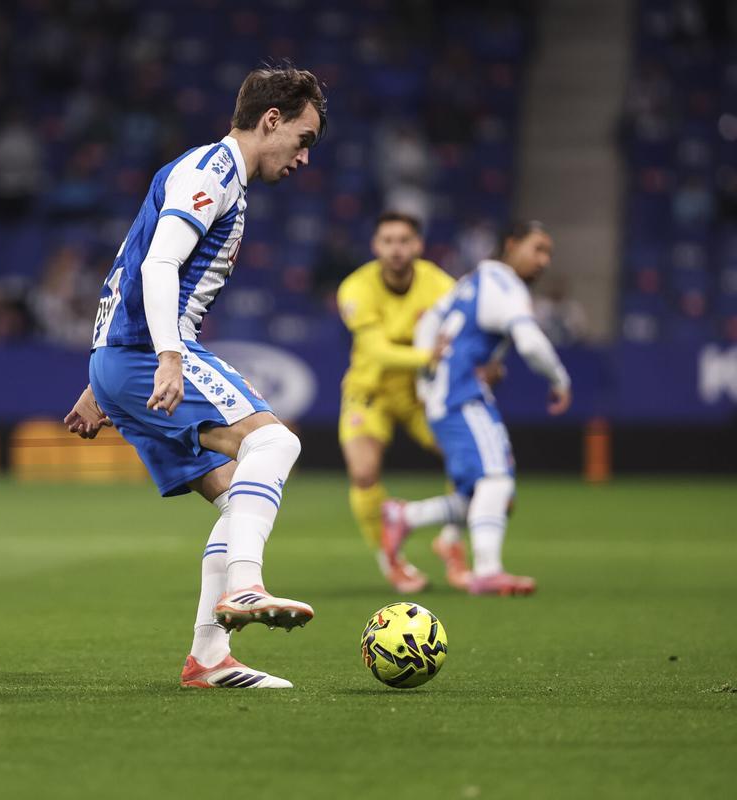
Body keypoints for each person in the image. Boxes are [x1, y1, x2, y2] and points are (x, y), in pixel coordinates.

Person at [64, 65, 325, 689]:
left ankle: (209, 659)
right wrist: (169, 357)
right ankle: (247, 586)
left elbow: (126, 266)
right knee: (275, 442)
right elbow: (157, 265)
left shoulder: (210, 173)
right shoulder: (211, 173)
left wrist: (99, 386)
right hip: (144, 354)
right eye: (304, 138)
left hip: (121, 359)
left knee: (241, 499)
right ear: (271, 121)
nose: (305, 158)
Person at [381, 221, 571, 595]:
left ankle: (406, 515)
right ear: (511, 245)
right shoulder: (505, 285)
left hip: (446, 397)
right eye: (538, 249)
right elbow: (530, 344)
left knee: (478, 495)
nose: (544, 261)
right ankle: (487, 570)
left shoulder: (472, 281)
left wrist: (426, 382)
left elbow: (428, 323)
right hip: (464, 397)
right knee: (497, 479)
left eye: (549, 253)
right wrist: (559, 380)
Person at [335, 212, 467, 593]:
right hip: (370, 391)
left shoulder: (440, 285)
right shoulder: (356, 289)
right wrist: (429, 356)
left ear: (418, 245)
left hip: (420, 394)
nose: (396, 249)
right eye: (388, 241)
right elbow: (376, 351)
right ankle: (391, 558)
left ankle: (451, 541)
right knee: (363, 473)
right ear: (376, 246)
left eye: (404, 240)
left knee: (464, 460)